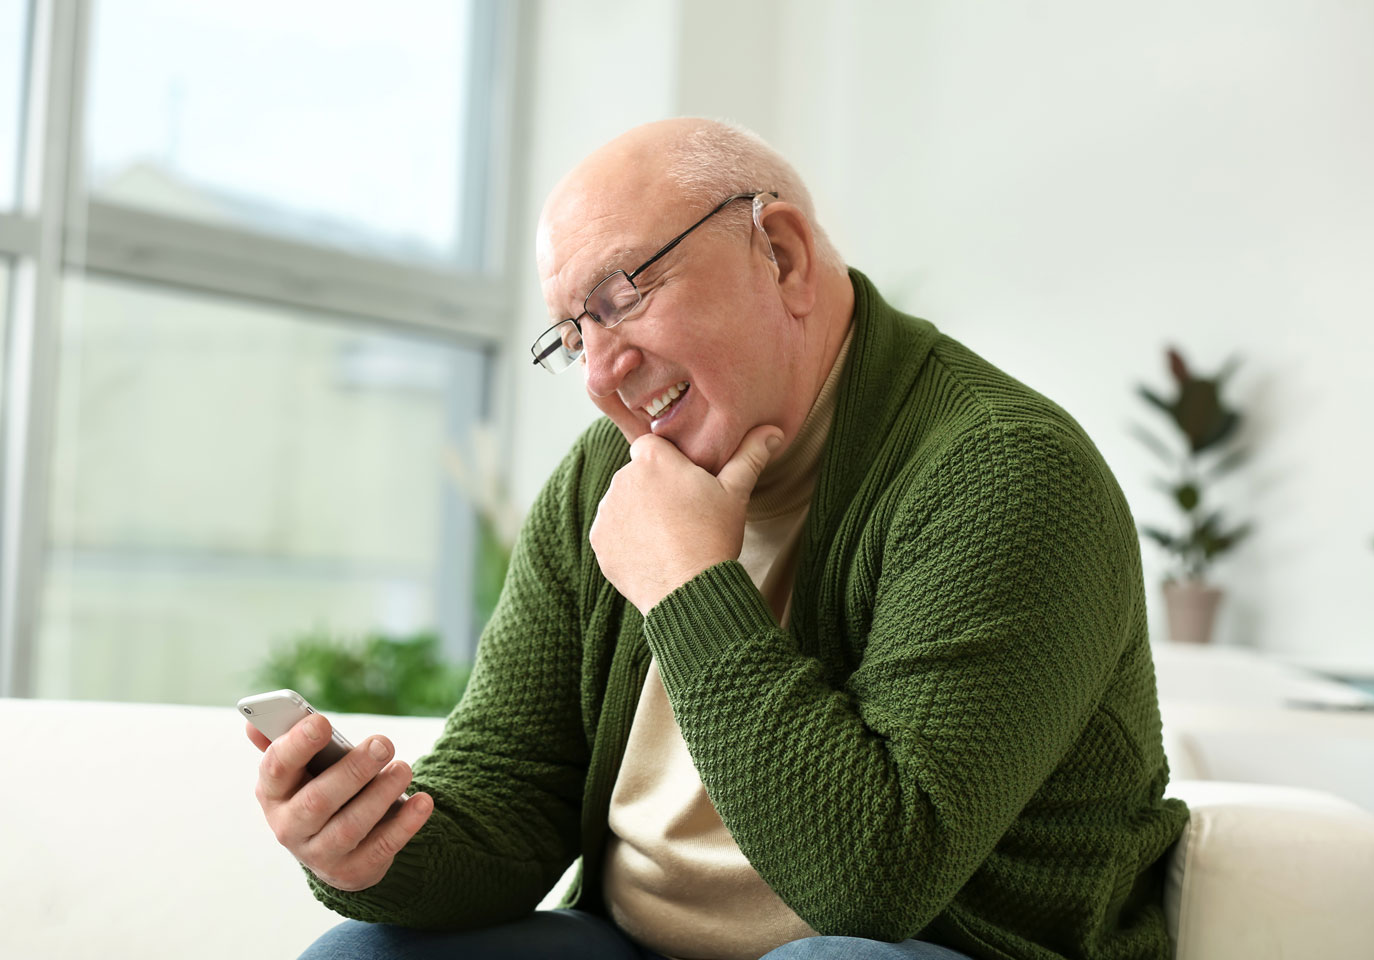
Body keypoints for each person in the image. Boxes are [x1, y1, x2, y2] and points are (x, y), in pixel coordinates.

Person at [246, 118, 1189, 960]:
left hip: (931, 950)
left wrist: (687, 583)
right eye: (573, 336)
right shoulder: (600, 480)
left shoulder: (1006, 470)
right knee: (360, 955)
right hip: (635, 944)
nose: (599, 373)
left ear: (779, 253)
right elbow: (513, 789)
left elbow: (874, 884)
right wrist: (370, 848)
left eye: (620, 298)